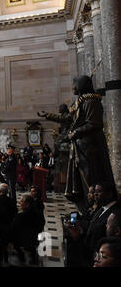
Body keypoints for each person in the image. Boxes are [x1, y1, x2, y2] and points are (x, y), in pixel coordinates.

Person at [38, 75, 114, 211]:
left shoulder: (91, 101)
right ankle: (86, 205)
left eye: (75, 84)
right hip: (79, 146)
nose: (73, 87)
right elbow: (67, 118)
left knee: (90, 176)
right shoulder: (80, 101)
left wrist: (74, 133)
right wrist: (48, 115)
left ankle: (95, 206)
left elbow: (94, 124)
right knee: (80, 178)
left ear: (81, 85)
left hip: (90, 146)